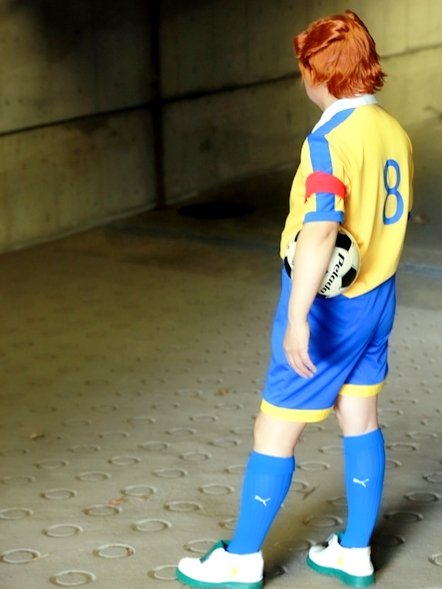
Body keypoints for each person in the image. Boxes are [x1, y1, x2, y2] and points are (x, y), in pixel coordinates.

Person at [176, 9, 413, 589]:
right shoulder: (393, 130)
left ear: (320, 74)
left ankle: (241, 558)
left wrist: (299, 315)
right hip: (378, 297)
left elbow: (322, 229)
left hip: (331, 306)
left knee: (275, 426)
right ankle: (355, 551)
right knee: (360, 416)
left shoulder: (329, 141)